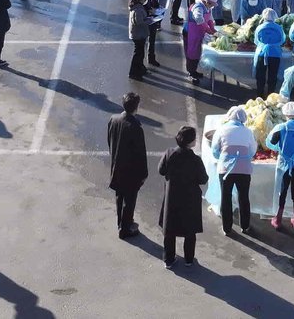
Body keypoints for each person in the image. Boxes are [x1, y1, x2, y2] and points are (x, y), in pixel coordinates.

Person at [158, 126, 208, 269]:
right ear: (191, 141)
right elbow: (203, 179)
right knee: (189, 229)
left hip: (172, 196)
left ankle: (168, 259)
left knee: (170, 229)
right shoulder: (195, 160)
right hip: (190, 199)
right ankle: (189, 259)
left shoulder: (170, 153)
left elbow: (161, 170)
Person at [107, 92, 148, 240]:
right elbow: (140, 153)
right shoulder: (135, 126)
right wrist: (144, 174)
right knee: (129, 201)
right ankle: (125, 228)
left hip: (117, 165)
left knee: (119, 197)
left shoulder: (113, 119)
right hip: (131, 170)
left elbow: (110, 140)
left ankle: (121, 222)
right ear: (136, 107)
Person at [211, 106, 256, 236]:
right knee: (243, 197)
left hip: (225, 170)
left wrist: (224, 158)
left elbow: (215, 151)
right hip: (244, 169)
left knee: (226, 197)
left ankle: (227, 228)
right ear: (243, 119)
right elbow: (252, 151)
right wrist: (242, 157)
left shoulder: (221, 130)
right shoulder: (248, 132)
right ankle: (245, 226)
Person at [266, 101, 294, 230]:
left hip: (284, 165)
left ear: (285, 114)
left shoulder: (281, 128)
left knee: (282, 192)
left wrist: (280, 149)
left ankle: (277, 220)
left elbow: (270, 143)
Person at [183, 0, 217, 86]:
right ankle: (191, 73)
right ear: (207, 2)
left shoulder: (207, 7)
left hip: (198, 33)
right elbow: (199, 19)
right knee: (191, 53)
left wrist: (212, 28)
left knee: (197, 52)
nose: (212, 6)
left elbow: (209, 19)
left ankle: (194, 70)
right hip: (190, 33)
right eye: (211, 4)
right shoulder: (198, 7)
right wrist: (208, 29)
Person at [252, 9, 286, 98]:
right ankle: (271, 96)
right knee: (273, 76)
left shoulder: (260, 27)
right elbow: (282, 40)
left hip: (262, 53)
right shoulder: (278, 28)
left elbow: (256, 41)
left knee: (260, 76)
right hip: (275, 54)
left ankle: (259, 95)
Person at [128, 0, 151, 81]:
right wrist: (149, 20)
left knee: (140, 53)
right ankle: (134, 73)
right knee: (138, 54)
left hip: (139, 34)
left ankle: (140, 69)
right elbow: (138, 22)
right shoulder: (138, 9)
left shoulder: (137, 6)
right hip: (138, 35)